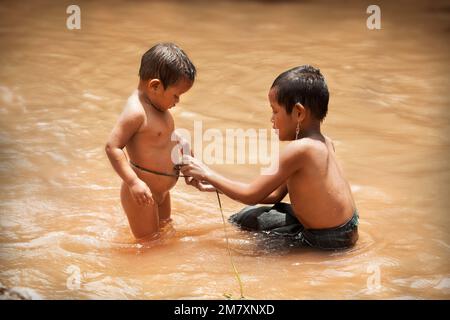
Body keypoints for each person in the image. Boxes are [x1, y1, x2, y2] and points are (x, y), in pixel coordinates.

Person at [181, 65, 359, 250]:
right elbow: (273, 194)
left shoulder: (300, 150)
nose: (271, 119)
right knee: (249, 216)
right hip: (345, 232)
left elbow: (251, 195)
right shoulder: (324, 142)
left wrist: (206, 172)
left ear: (299, 113)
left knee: (254, 239)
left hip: (327, 240)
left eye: (275, 111)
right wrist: (213, 186)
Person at [105, 43, 198, 240]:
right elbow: (112, 147)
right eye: (176, 95)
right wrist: (133, 182)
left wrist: (184, 148)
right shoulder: (136, 112)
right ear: (155, 86)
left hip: (162, 192)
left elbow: (165, 137)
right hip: (142, 194)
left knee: (165, 233)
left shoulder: (159, 107)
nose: (178, 101)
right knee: (149, 245)